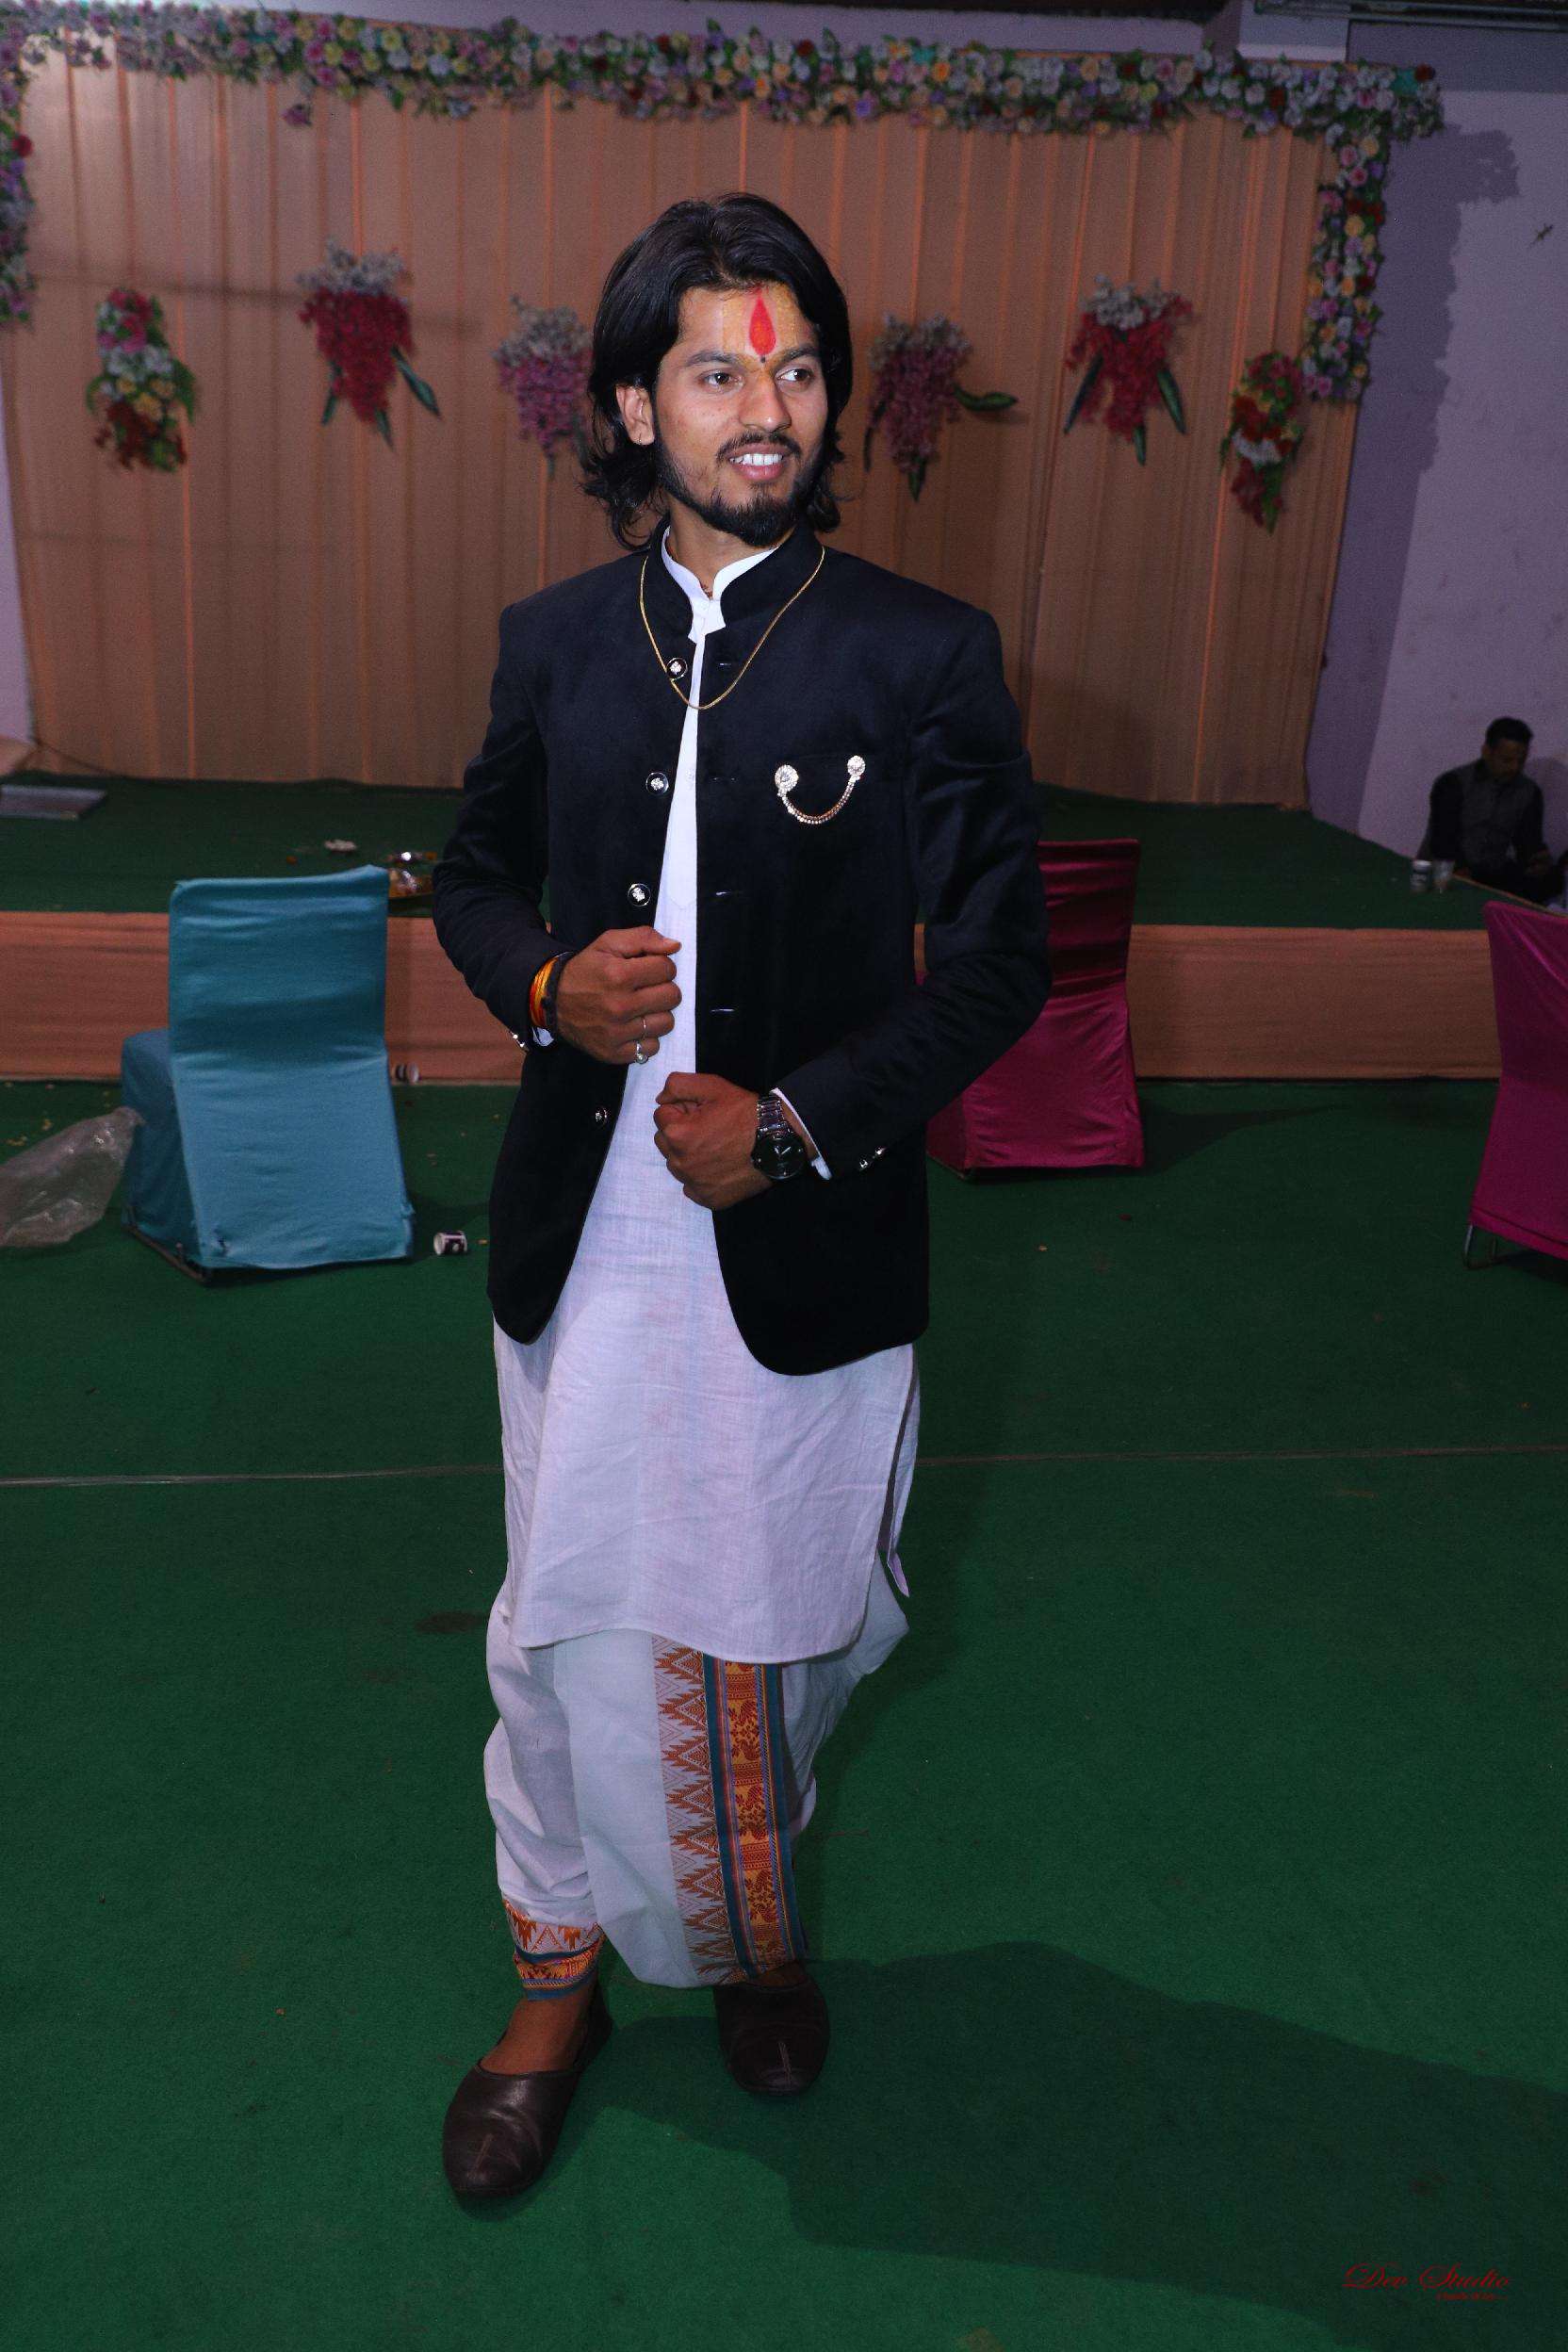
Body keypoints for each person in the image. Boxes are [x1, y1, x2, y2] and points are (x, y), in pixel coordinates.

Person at [431, 192, 1050, 2201]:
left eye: (792, 371)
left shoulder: (917, 654)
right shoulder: (554, 644)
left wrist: (787, 1126)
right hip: (587, 1240)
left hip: (805, 1234)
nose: (762, 408)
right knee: (562, 1620)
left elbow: (999, 966)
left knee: (789, 1622)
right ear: (635, 405)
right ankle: (554, 1985)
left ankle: (751, 1933)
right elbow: (471, 878)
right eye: (715, 371)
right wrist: (547, 987)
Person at [1422, 719, 1565, 906]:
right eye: (1507, 760)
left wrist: (1537, 861)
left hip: (1490, 870)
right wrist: (1460, 870)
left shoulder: (1529, 792)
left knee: (1552, 880)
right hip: (1448, 864)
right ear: (1487, 752)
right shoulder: (1453, 783)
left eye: (1521, 761)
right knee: (1448, 881)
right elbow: (1443, 840)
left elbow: (1527, 842)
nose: (1514, 767)